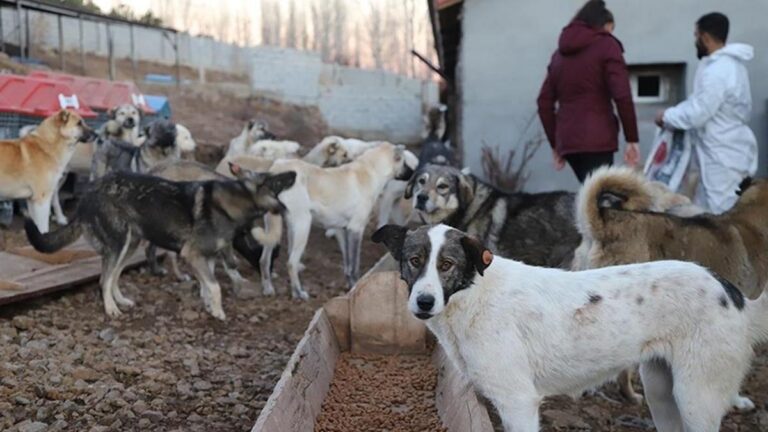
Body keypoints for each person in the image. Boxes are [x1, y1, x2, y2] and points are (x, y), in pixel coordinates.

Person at [656, 12, 757, 214]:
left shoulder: (718, 71)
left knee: (719, 214)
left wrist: (666, 117)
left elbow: (698, 112)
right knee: (715, 210)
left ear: (705, 37)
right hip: (727, 150)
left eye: (696, 36)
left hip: (722, 155)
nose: (695, 41)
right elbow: (699, 103)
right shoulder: (732, 66)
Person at [537, 0, 639, 183]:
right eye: (610, 29)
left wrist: (555, 144)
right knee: (600, 203)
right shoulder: (607, 45)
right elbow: (622, 95)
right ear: (603, 26)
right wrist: (632, 138)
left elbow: (544, 102)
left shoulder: (559, 55)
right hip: (598, 140)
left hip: (569, 143)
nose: (610, 34)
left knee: (592, 198)